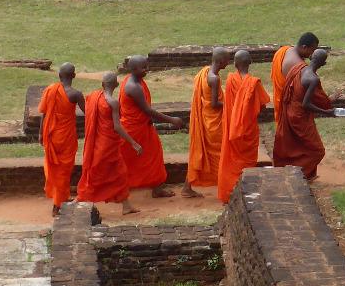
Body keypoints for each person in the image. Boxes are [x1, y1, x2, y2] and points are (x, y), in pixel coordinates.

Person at [119, 55, 185, 198]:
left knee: (154, 157)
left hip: (143, 127)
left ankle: (157, 187)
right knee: (126, 161)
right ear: (133, 69)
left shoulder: (136, 81)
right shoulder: (133, 87)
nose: (147, 69)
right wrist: (172, 120)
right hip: (133, 130)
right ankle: (118, 189)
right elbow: (147, 110)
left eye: (147, 66)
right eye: (143, 67)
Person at [76, 72, 141, 215]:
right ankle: (80, 199)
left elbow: (89, 114)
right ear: (116, 85)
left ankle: (126, 205)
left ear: (102, 84)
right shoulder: (113, 102)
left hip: (98, 143)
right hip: (107, 146)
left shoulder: (94, 97)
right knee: (101, 175)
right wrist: (133, 142)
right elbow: (117, 127)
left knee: (115, 174)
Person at [273, 47, 336, 182]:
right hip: (300, 116)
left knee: (295, 146)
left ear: (311, 57)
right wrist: (326, 112)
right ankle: (302, 175)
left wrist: (327, 100)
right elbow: (306, 104)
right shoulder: (313, 78)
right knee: (317, 150)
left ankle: (302, 173)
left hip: (290, 111)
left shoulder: (298, 69)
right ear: (323, 64)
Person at [217, 48, 269, 203]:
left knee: (231, 162)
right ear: (250, 62)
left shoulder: (231, 79)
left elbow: (229, 104)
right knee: (247, 163)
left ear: (235, 64)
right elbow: (262, 105)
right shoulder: (255, 83)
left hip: (231, 129)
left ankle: (229, 192)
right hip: (248, 130)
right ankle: (245, 192)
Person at [181, 47, 231, 198]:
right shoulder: (214, 78)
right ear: (221, 61)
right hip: (213, 122)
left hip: (206, 118)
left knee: (201, 153)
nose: (228, 63)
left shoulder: (205, 71)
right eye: (227, 60)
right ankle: (227, 186)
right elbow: (215, 104)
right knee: (221, 152)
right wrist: (232, 103)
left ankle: (187, 187)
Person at [38, 63, 85, 215]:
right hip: (66, 137)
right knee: (64, 171)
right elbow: (88, 112)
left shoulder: (50, 90)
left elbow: (44, 113)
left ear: (59, 76)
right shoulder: (76, 94)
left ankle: (61, 198)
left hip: (51, 135)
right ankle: (57, 205)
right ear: (74, 76)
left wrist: (40, 133)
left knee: (54, 169)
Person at [271, 33, 318, 123]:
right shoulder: (299, 66)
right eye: (312, 50)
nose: (312, 54)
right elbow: (302, 92)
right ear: (304, 47)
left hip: (279, 100)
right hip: (290, 108)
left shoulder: (283, 50)